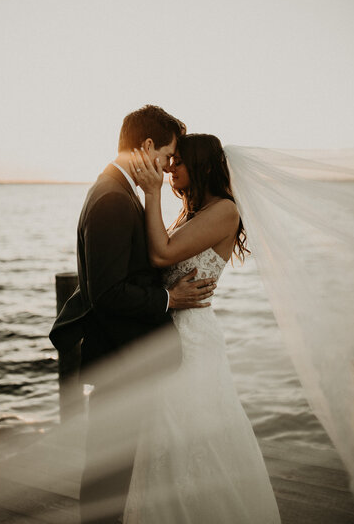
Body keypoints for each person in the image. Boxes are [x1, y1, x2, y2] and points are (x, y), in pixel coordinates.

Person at [49, 106, 217, 524]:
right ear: (146, 147)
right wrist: (168, 300)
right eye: (167, 155)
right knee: (108, 477)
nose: (168, 166)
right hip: (120, 360)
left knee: (115, 471)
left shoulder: (116, 190)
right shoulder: (112, 199)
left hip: (124, 356)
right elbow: (107, 294)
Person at [123, 133, 282, 523]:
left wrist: (151, 192)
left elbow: (161, 253)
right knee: (165, 439)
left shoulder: (224, 211)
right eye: (171, 161)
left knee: (190, 439)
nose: (170, 167)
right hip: (171, 333)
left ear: (203, 166)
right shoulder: (192, 212)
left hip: (192, 339)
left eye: (179, 161)